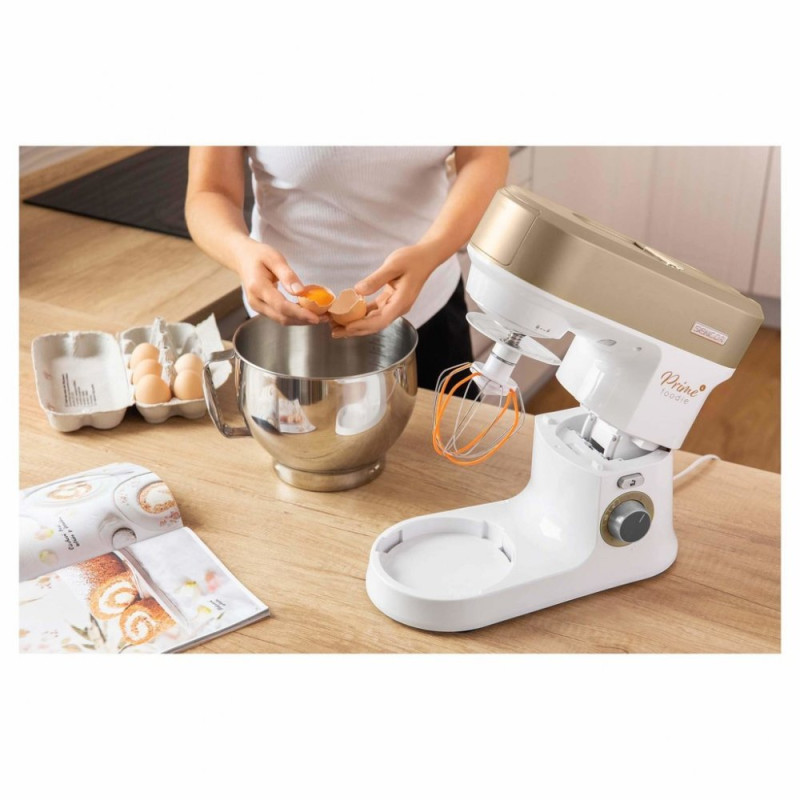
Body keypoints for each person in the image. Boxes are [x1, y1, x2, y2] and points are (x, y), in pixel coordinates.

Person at [185, 146, 509, 389]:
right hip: (283, 332)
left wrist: (431, 251)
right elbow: (209, 190)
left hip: (427, 312)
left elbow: (484, 157)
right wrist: (240, 252)